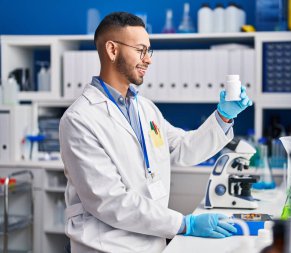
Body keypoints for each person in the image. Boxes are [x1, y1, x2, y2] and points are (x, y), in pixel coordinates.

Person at [59, 12, 253, 253]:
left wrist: (224, 116)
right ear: (112, 50)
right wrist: (184, 223)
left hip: (152, 241)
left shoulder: (145, 109)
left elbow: (183, 149)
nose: (148, 59)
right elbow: (110, 201)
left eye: (149, 51)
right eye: (141, 50)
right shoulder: (80, 119)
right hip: (107, 246)